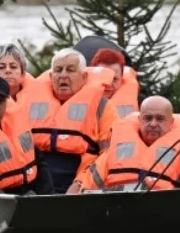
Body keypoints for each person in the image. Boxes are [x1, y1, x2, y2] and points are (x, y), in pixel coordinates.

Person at [18, 48, 115, 192]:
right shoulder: (28, 104)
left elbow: (108, 153)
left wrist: (80, 184)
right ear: (51, 76)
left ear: (84, 77)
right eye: (58, 70)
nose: (63, 75)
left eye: (70, 70)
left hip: (79, 182)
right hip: (36, 181)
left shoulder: (102, 107)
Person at [68, 97, 180, 192]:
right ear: (140, 120)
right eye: (148, 118)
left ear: (171, 123)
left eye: (160, 119)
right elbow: (87, 190)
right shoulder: (116, 150)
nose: (153, 124)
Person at [89, 47, 140, 119]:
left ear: (121, 79)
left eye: (114, 79)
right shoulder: (75, 99)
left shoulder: (141, 103)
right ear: (93, 76)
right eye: (104, 77)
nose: (109, 84)